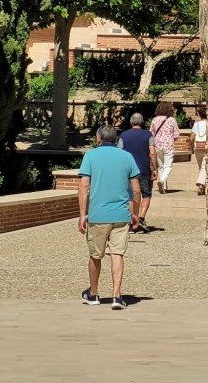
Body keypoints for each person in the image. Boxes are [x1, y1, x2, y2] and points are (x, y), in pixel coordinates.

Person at [78, 124, 141, 310]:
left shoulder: (90, 155)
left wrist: (82, 214)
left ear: (98, 139)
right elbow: (136, 190)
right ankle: (116, 295)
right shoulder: (127, 157)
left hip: (98, 215)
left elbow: (83, 187)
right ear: (116, 140)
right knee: (117, 254)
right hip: (121, 214)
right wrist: (135, 212)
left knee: (95, 255)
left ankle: (94, 293)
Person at [118, 112, 157, 233]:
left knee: (130, 195)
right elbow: (152, 153)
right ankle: (141, 217)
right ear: (142, 122)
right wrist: (155, 168)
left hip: (128, 170)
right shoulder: (148, 135)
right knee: (146, 194)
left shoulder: (124, 135)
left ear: (130, 122)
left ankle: (131, 219)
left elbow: (119, 151)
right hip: (143, 169)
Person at [149, 102, 180, 194]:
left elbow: (151, 133)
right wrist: (171, 140)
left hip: (157, 145)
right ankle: (162, 181)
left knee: (161, 166)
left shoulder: (154, 120)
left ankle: (163, 187)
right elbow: (176, 134)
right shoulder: (172, 120)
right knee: (168, 166)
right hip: (169, 145)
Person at [191, 105, 208, 195]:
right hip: (206, 147)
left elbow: (192, 137)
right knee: (204, 166)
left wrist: (190, 146)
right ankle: (202, 185)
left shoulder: (196, 124)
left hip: (197, 147)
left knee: (201, 166)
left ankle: (201, 185)